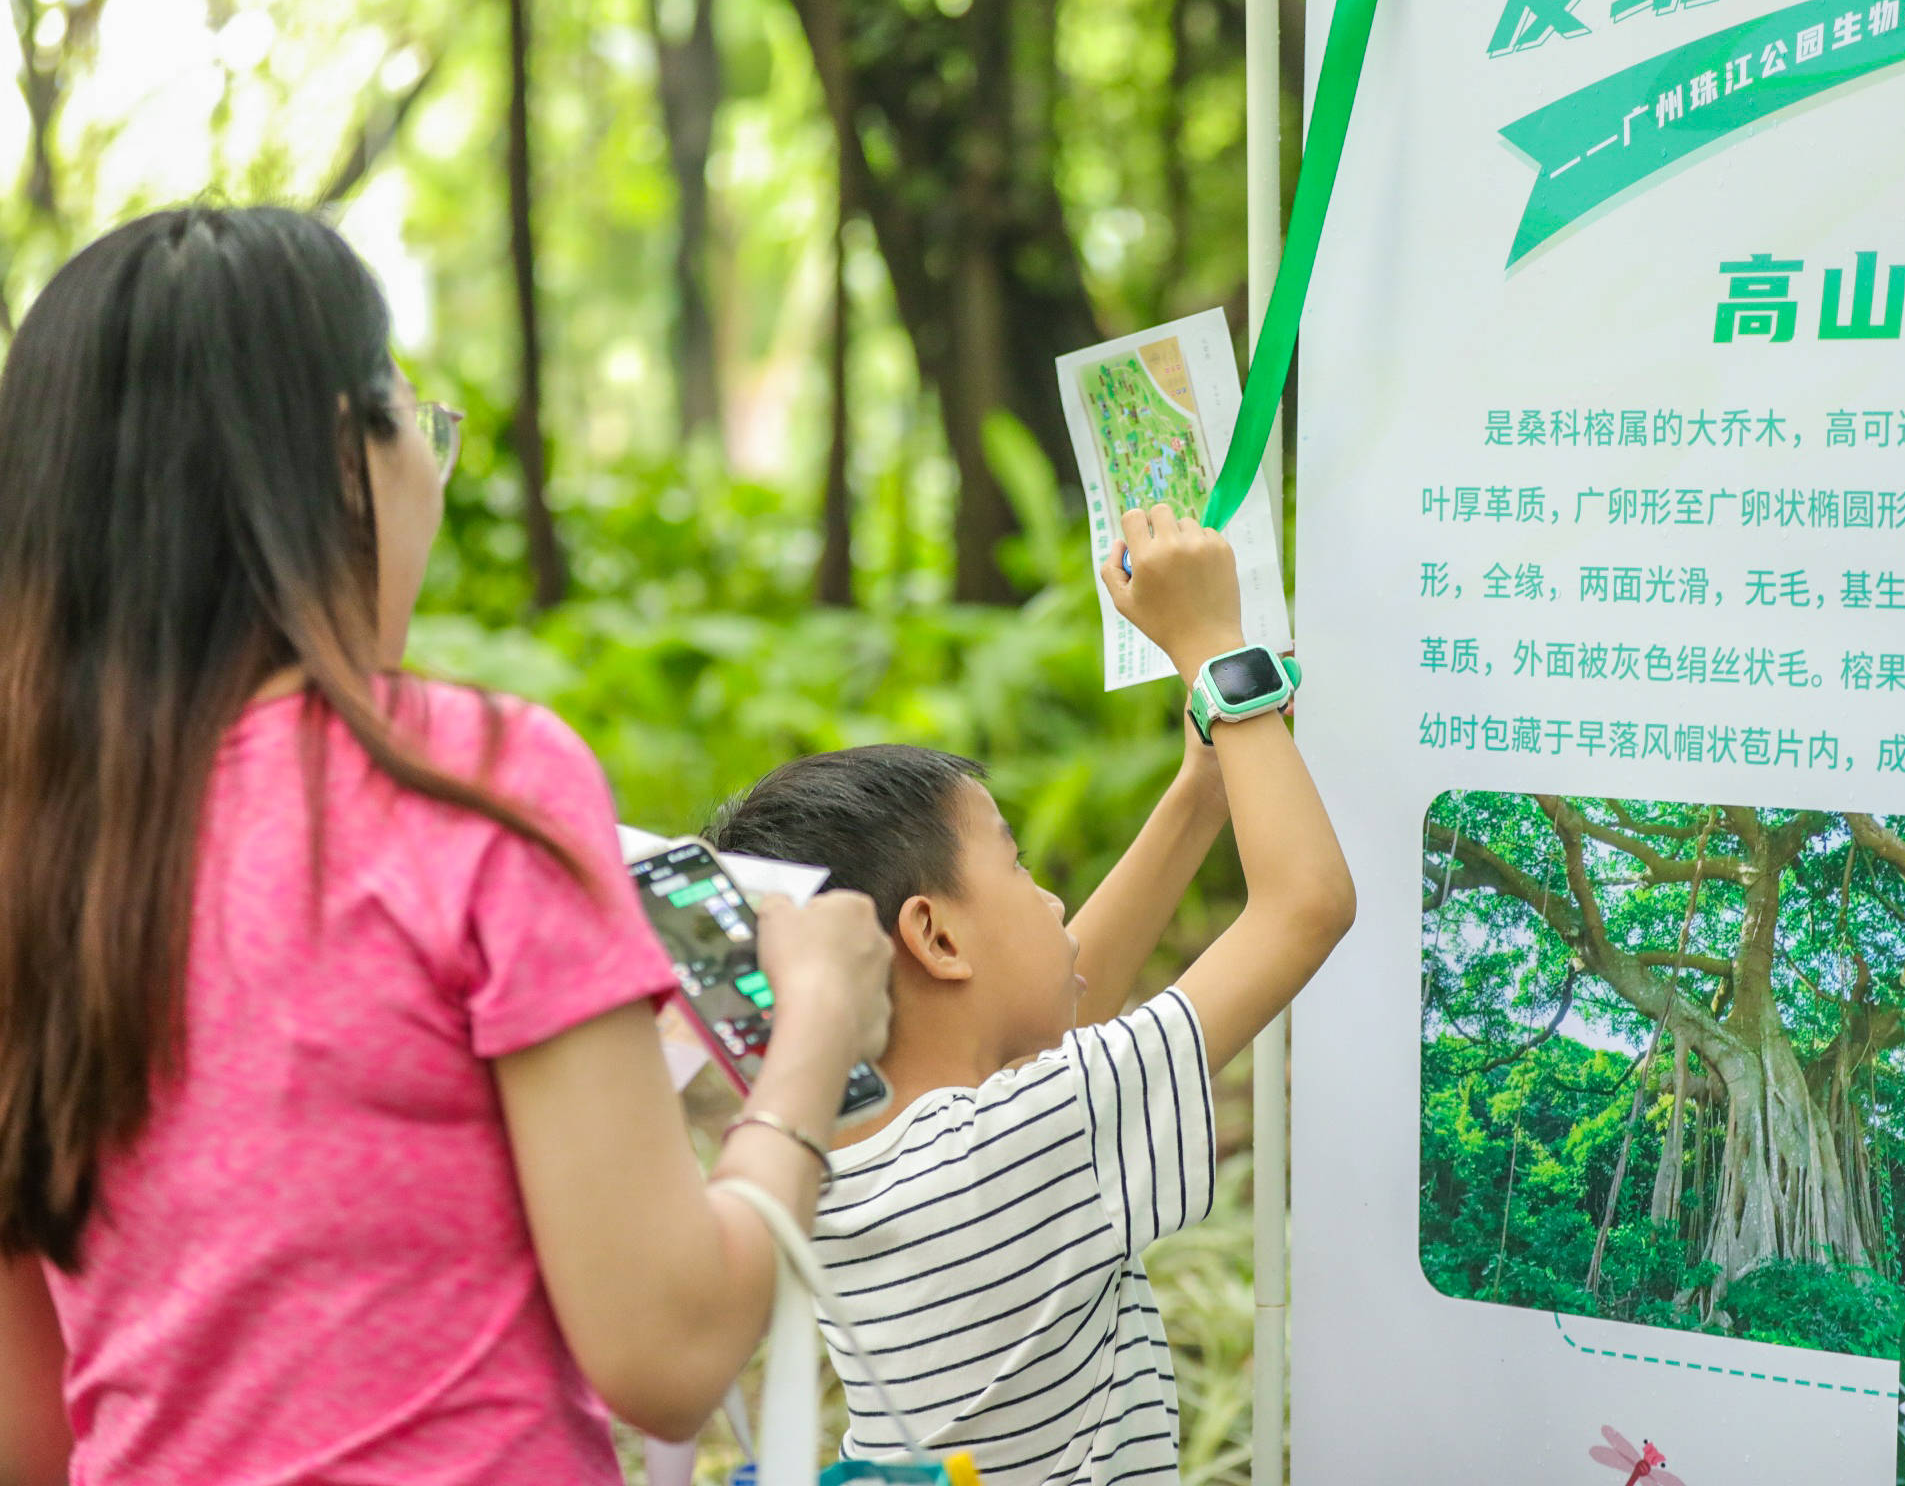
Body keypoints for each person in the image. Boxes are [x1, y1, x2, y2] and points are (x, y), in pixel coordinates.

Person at [0, 205, 894, 1485]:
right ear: (342, 459)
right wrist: (811, 1033)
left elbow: (30, 1439)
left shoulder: (30, 852)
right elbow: (671, 1346)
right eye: (422, 422)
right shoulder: (478, 782)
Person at [705, 506, 1356, 1484]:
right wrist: (1220, 653)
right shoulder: (1031, 1137)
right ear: (934, 935)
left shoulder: (828, 1152)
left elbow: (1049, 1020)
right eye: (1015, 864)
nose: (1051, 898)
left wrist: (1200, 792)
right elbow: (1306, 906)